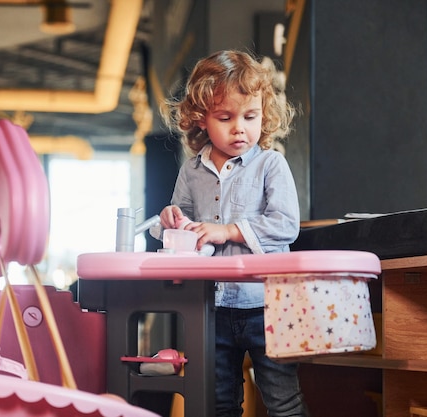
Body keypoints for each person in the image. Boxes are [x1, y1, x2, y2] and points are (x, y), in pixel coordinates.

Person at [151, 50, 309, 417]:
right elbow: (180, 230)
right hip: (211, 308)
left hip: (267, 304)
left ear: (263, 114)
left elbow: (286, 224)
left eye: (250, 116)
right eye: (226, 117)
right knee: (218, 402)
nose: (240, 127)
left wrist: (228, 231)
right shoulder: (191, 171)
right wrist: (169, 221)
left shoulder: (271, 164)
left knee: (283, 401)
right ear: (201, 119)